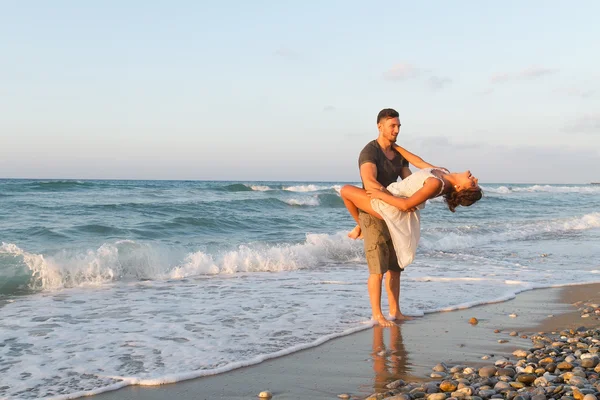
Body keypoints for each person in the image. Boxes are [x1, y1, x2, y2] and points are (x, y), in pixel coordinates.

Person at [341, 167, 482, 324]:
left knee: (346, 190)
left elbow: (405, 204)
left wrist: (380, 193)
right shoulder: (442, 174)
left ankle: (378, 315)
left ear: (460, 188)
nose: (475, 179)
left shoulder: (437, 182)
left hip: (389, 208)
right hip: (397, 210)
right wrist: (397, 148)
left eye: (473, 184)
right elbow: (418, 163)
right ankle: (395, 312)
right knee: (393, 270)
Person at [347, 108, 443, 327]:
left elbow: (408, 180)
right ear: (380, 126)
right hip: (375, 213)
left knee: (395, 268)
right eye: (392, 126)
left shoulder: (398, 153)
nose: (396, 130)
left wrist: (423, 189)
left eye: (399, 126)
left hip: (395, 214)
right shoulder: (370, 151)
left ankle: (395, 311)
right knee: (377, 269)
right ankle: (377, 315)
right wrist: (392, 200)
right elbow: (369, 182)